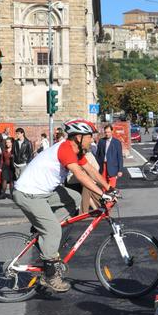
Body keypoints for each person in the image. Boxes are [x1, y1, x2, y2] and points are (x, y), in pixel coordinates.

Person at [13, 119, 114, 293]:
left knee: (73, 198)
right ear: (79, 137)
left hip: (43, 192)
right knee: (53, 230)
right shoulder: (66, 149)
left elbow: (90, 170)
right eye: (90, 137)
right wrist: (102, 195)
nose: (92, 140)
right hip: (28, 194)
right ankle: (50, 275)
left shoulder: (76, 151)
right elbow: (80, 176)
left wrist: (108, 187)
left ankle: (43, 232)